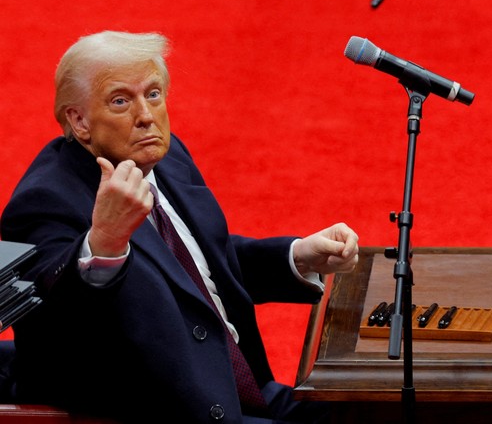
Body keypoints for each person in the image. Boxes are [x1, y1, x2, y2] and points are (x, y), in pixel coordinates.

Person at [0, 31, 359, 423]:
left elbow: (197, 264)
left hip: (245, 389)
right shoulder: (45, 200)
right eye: (121, 101)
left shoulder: (165, 158)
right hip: (177, 410)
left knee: (394, 407)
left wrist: (294, 257)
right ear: (79, 120)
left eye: (153, 94)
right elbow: (53, 319)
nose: (146, 116)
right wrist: (104, 240)